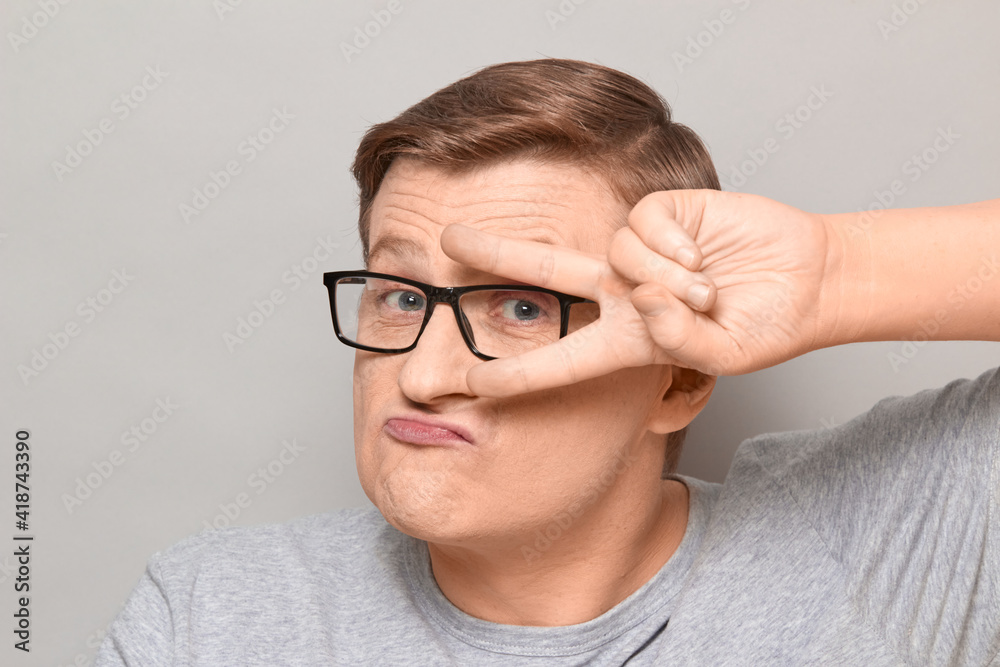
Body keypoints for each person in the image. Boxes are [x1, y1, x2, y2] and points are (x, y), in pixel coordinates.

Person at [97, 59, 999, 665]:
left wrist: (839, 275)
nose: (423, 373)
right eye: (402, 295)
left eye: (520, 306)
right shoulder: (213, 618)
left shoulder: (870, 548)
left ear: (676, 380)